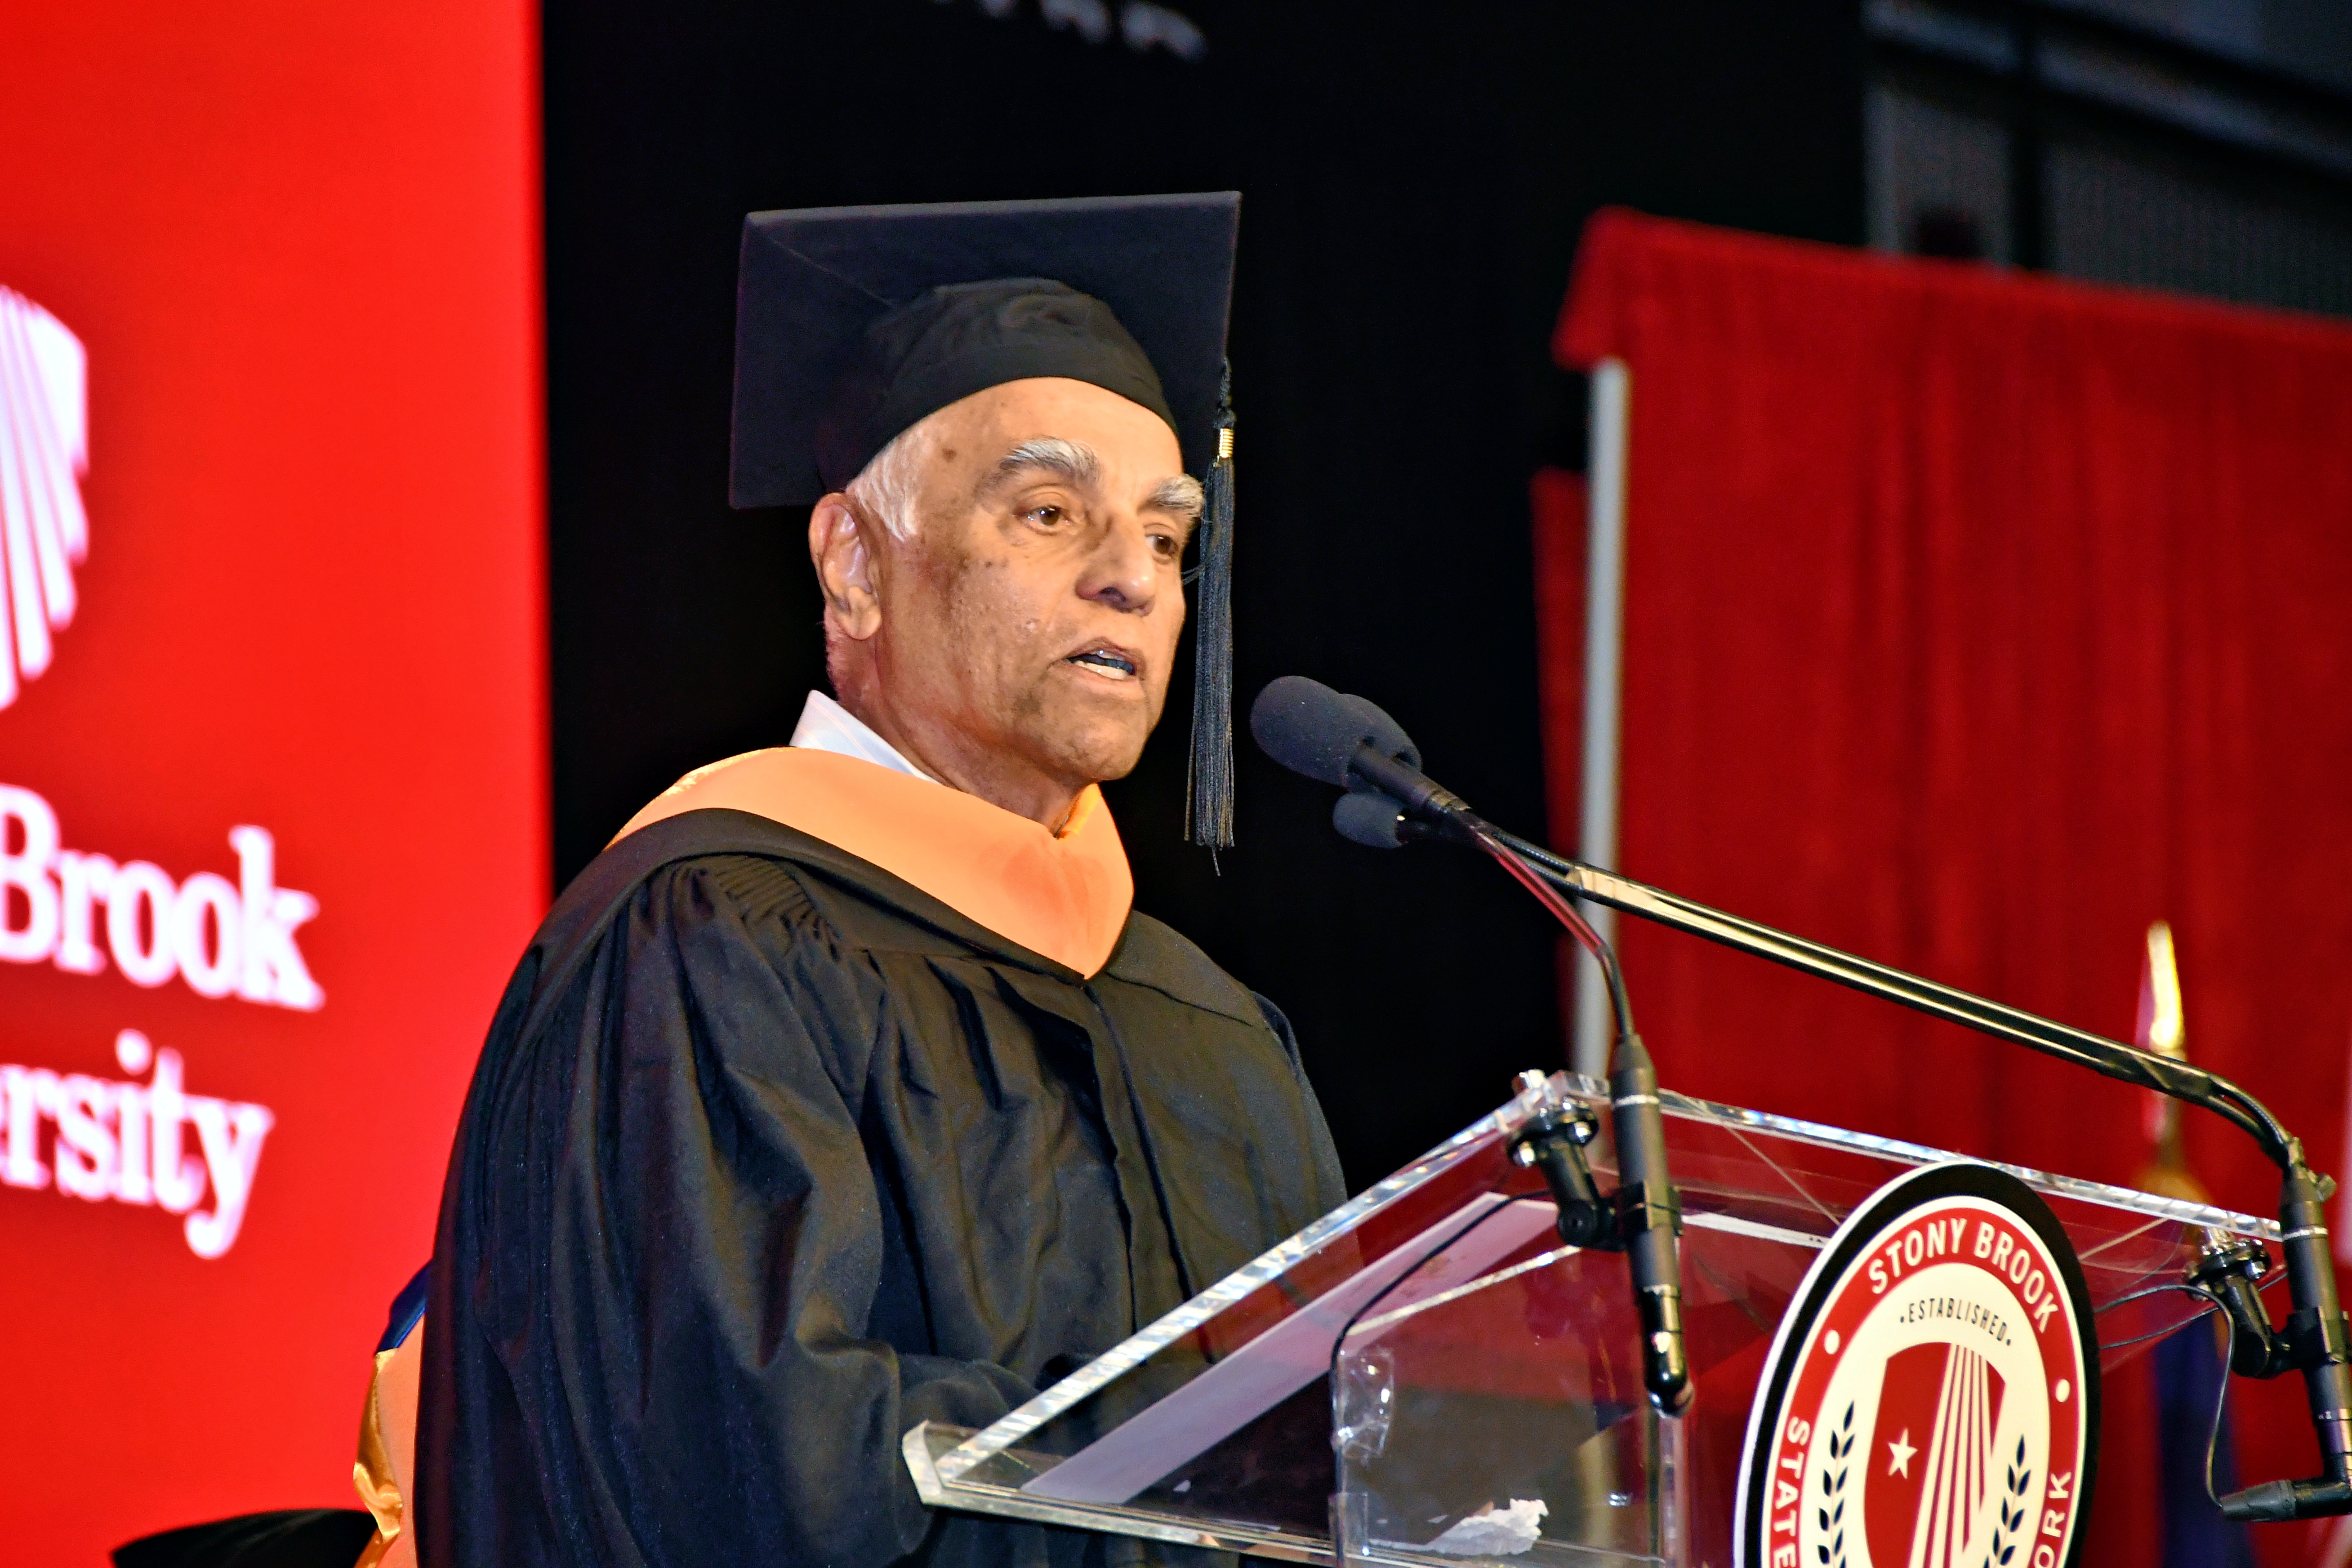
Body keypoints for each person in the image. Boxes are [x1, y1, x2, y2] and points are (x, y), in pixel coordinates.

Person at [407, 193, 1348, 1568]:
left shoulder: (1209, 1030)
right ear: (854, 563)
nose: (1132, 582)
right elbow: (761, 1471)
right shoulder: (712, 933)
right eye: (1048, 510)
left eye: (1164, 537)